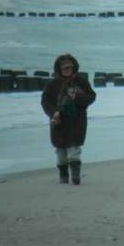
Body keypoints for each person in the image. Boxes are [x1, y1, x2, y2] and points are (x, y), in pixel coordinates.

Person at [41, 53, 96, 185]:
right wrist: (53, 112)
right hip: (58, 123)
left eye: (70, 67)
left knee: (74, 151)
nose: (68, 70)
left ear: (74, 67)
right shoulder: (52, 84)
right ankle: (63, 175)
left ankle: (76, 177)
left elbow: (91, 97)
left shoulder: (81, 81)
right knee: (61, 153)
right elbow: (45, 101)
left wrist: (76, 96)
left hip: (77, 122)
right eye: (65, 68)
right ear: (59, 69)